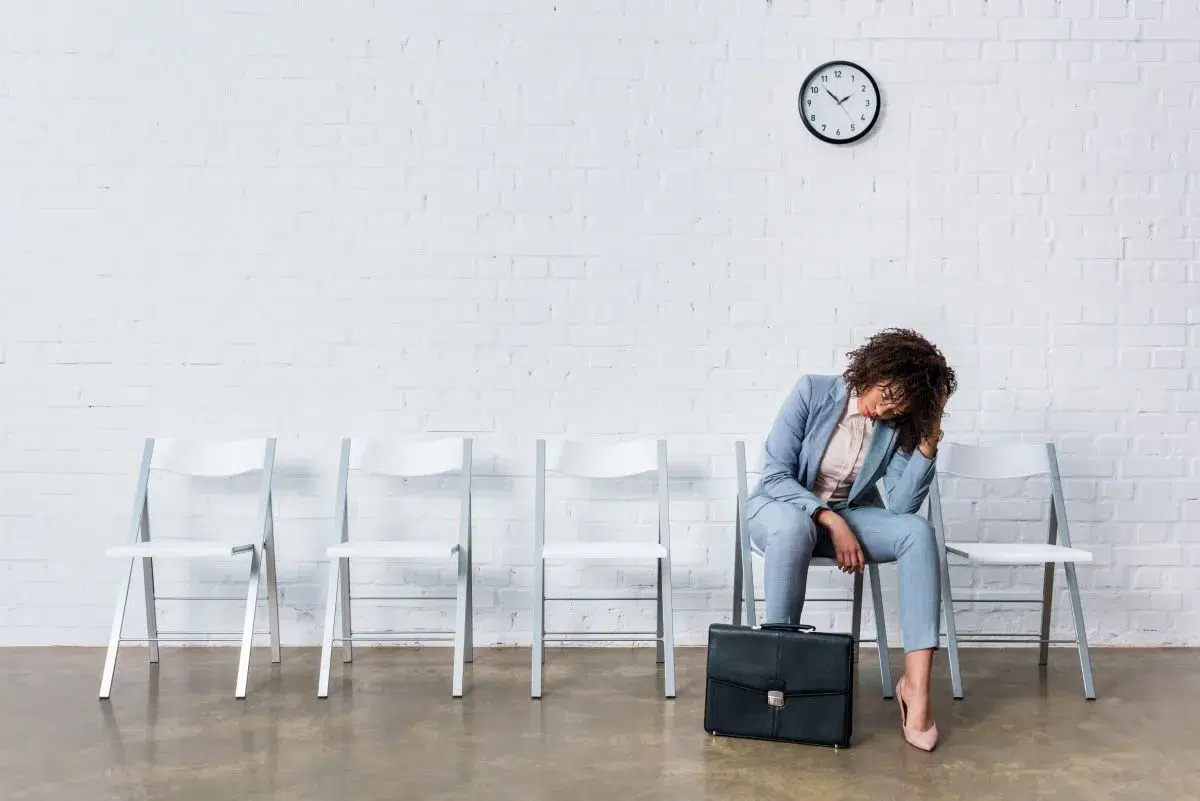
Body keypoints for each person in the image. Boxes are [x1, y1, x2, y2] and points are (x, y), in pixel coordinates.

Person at [746, 328, 957, 751]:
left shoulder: (896, 425)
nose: (887, 409)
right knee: (795, 527)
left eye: (901, 406)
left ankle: (916, 690)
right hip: (779, 511)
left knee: (917, 532)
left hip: (848, 516)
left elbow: (902, 505)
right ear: (874, 370)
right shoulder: (812, 391)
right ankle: (780, 679)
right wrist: (829, 520)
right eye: (888, 395)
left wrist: (928, 439)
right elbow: (776, 475)